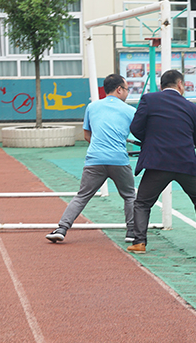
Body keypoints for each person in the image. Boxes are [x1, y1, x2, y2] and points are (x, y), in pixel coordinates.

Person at [127, 70, 196, 254]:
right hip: (186, 161)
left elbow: (135, 128)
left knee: (143, 203)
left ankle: (139, 242)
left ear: (161, 86)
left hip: (157, 162)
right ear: (180, 84)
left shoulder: (149, 99)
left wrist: (150, 140)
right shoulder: (191, 108)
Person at [46, 74, 137, 243]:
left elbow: (87, 135)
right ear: (119, 89)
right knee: (130, 196)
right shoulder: (131, 111)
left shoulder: (92, 107)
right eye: (126, 89)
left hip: (94, 159)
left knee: (82, 196)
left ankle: (61, 228)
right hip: (118, 159)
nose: (127, 93)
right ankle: (131, 232)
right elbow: (140, 134)